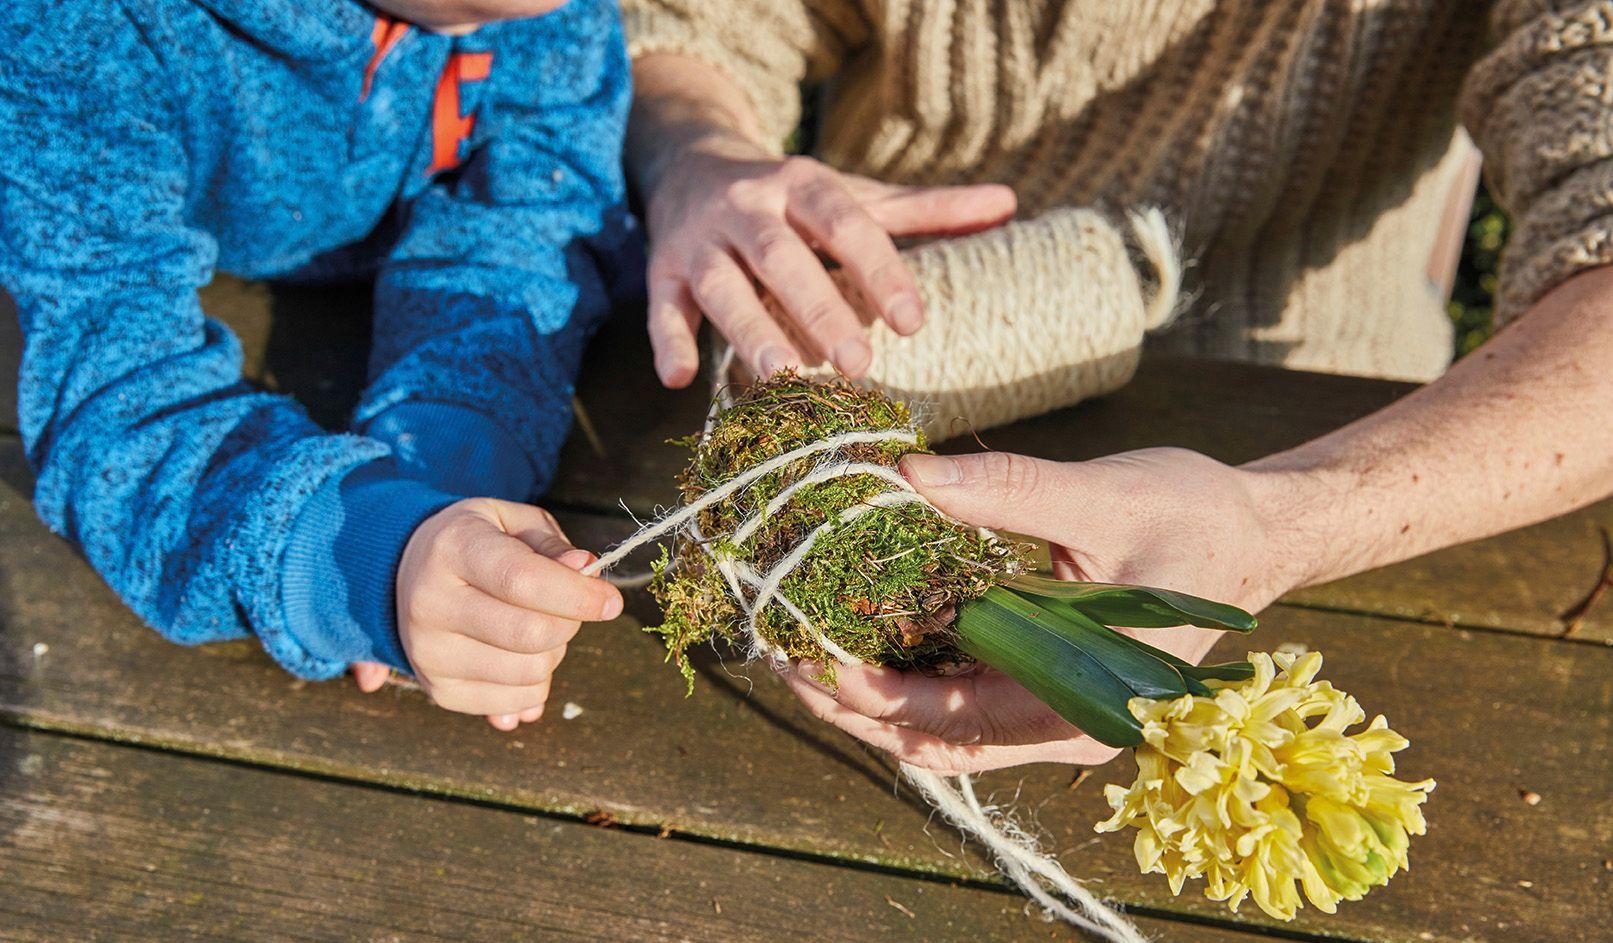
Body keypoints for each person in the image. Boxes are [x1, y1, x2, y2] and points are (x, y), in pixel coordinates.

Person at [621, 2, 1613, 772]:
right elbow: (700, 26)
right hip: (877, 337)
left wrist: (1276, 523)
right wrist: (698, 149)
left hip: (1318, 467)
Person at [0, 0, 634, 731]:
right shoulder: (71, 27)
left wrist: (446, 462)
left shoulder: (556, 14)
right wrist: (356, 553)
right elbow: (116, 391)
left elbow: (530, 209)